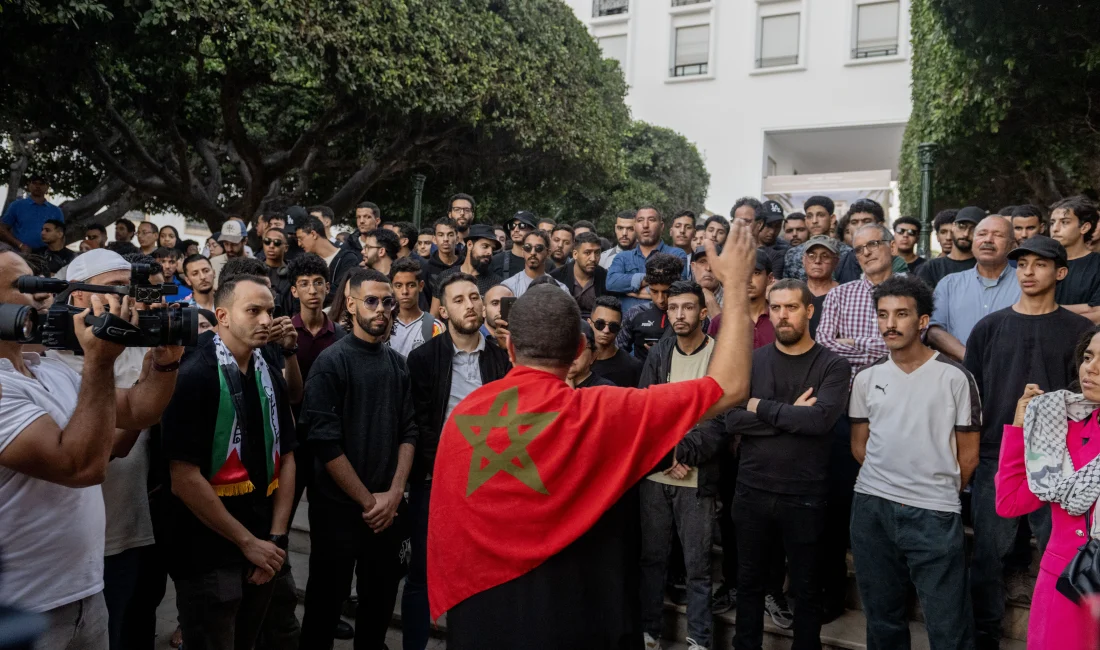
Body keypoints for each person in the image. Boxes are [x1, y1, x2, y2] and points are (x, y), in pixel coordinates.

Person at [427, 219, 755, 649]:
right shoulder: (604, 410)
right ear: (582, 349)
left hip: (482, 618)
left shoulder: (465, 415)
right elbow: (730, 386)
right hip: (575, 617)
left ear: (509, 347)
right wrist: (737, 286)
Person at [0, 246, 181, 650]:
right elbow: (80, 467)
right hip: (24, 608)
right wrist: (99, 361)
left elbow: (137, 409)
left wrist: (165, 362)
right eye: (22, 286)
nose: (40, 295)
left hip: (83, 591)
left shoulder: (48, 370)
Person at [963, 235, 1093, 650]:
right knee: (987, 557)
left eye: (1039, 264)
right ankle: (985, 636)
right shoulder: (989, 327)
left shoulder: (1081, 332)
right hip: (998, 458)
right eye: (1022, 264)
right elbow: (972, 396)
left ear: (1061, 272)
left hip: (1065, 466)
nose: (1028, 272)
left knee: (1065, 555)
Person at [161, 274, 296, 650]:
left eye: (270, 310)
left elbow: (287, 455)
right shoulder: (193, 373)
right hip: (208, 549)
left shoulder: (268, 369)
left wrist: (275, 537)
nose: (267, 321)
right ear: (222, 315)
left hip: (264, 544)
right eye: (253, 311)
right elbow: (183, 478)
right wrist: (247, 542)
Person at [849, 274, 980, 650]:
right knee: (882, 620)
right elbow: (860, 446)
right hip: (872, 509)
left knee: (949, 625)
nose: (890, 323)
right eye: (883, 314)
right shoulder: (866, 377)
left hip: (934, 513)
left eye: (901, 314)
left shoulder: (955, 377)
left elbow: (968, 455)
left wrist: (931, 487)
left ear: (922, 322)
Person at [719, 279, 851, 650]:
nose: (782, 316)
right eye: (775, 308)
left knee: (807, 589)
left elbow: (819, 422)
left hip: (805, 496)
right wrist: (792, 414)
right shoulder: (752, 361)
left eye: (791, 307)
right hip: (752, 490)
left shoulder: (834, 365)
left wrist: (758, 406)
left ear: (809, 311)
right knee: (748, 585)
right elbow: (730, 420)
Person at [298, 268, 417, 649]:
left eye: (387, 301)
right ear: (350, 304)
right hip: (339, 511)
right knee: (323, 609)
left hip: (387, 512)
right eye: (371, 301)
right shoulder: (331, 363)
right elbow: (324, 442)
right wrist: (369, 501)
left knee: (378, 610)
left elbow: (409, 431)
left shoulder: (398, 364)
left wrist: (395, 493)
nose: (382, 309)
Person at [403, 272, 512, 650]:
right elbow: (419, 423)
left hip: (490, 483)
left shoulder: (502, 357)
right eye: (458, 300)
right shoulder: (422, 359)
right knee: (422, 574)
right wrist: (444, 466)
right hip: (436, 480)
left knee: (484, 574)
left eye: (474, 297)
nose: (469, 305)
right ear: (444, 311)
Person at [995, 330, 1100, 650]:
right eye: (1088, 357)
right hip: (1067, 584)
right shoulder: (1060, 424)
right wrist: (1018, 425)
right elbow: (1009, 502)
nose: (1091, 368)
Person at [634, 280, 719, 650]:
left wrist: (681, 452)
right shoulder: (660, 352)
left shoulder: (717, 354)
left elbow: (720, 419)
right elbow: (645, 410)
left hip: (697, 478)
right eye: (673, 308)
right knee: (652, 559)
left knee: (698, 568)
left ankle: (699, 639)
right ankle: (650, 632)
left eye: (687, 308)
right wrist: (669, 454)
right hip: (655, 475)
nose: (679, 315)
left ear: (703, 313)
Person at [927, 216, 1020, 361]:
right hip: (959, 375)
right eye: (982, 234)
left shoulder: (1026, 284)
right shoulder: (949, 284)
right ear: (973, 242)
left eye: (998, 235)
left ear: (1012, 245)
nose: (988, 240)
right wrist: (969, 358)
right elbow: (934, 331)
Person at [607, 206, 690, 312]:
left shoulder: (676, 254)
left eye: (651, 220)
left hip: (663, 325)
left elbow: (677, 289)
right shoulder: (622, 257)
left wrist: (628, 290)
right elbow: (611, 283)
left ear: (661, 226)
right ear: (635, 226)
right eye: (640, 220)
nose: (645, 225)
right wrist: (652, 279)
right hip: (628, 326)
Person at [288, 253, 346, 383]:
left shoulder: (340, 334)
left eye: (318, 283)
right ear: (294, 291)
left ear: (327, 288)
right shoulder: (286, 333)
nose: (312, 290)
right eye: (304, 284)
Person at [616, 253, 684, 362]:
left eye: (667, 292)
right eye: (654, 291)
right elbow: (618, 352)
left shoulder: (690, 315)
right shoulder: (635, 314)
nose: (660, 299)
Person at [1049, 195, 1100, 323]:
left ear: (1084, 227)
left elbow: (1097, 313)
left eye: (1065, 222)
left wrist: (1047, 311)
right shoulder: (1041, 262)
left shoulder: (1097, 264)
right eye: (1052, 222)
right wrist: (1086, 308)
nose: (1055, 228)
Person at [432, 224, 503, 315]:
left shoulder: (496, 283)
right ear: (469, 244)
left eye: (492, 249)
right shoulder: (445, 277)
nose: (489, 252)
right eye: (485, 246)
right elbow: (434, 316)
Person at [707, 251, 773, 348]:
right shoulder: (720, 322)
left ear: (770, 278)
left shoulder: (781, 319)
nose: (748, 280)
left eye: (756, 273)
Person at [832, 199, 907, 284]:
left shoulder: (894, 261)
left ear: (880, 225)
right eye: (854, 222)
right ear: (848, 228)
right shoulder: (841, 262)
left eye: (866, 221)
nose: (859, 226)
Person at [784, 196, 850, 281]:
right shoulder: (792, 255)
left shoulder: (848, 253)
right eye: (809, 216)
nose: (814, 221)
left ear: (832, 219)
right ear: (806, 220)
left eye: (820, 215)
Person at [389, 257, 445, 358]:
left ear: (421, 286)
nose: (405, 291)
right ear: (391, 287)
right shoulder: (384, 324)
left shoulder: (434, 327)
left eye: (411, 285)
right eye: (398, 286)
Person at [917, 206, 982, 289]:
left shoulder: (985, 266)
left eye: (973, 229)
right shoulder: (931, 268)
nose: (966, 233)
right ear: (954, 227)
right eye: (962, 226)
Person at [587, 296, 643, 388]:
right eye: (600, 324)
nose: (606, 330)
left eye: (613, 326)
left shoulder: (633, 366)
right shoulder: (578, 361)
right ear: (589, 323)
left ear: (620, 328)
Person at [296, 216, 360, 293]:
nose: (299, 244)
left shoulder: (347, 259)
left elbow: (341, 290)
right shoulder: (307, 263)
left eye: (301, 239)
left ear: (313, 234)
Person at [0, 173, 64, 251]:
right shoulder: (16, 206)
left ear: (47, 187)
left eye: (41, 184)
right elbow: (2, 229)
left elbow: (61, 235)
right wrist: (20, 245)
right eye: (34, 183)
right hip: (21, 255)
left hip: (48, 256)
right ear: (29, 185)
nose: (37, 186)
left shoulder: (56, 211)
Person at [551, 231, 606, 319]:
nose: (593, 258)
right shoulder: (556, 277)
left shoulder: (605, 277)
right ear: (575, 254)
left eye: (597, 253)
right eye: (587, 253)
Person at [500, 230, 568, 298]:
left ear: (548, 253)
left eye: (539, 248)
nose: (532, 253)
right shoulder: (509, 287)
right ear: (523, 251)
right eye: (528, 247)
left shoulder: (561, 289)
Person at [420, 217, 465, 304]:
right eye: (441, 235)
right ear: (434, 239)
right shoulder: (425, 269)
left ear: (457, 239)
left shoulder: (466, 264)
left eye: (450, 234)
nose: (445, 239)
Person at [803, 236, 840, 339]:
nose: (817, 261)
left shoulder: (844, 294)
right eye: (811, 255)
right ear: (803, 260)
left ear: (836, 262)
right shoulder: (795, 292)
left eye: (825, 256)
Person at [490, 211, 538, 279]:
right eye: (512, 226)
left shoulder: (543, 262)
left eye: (522, 226)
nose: (516, 230)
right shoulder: (496, 260)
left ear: (532, 231)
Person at [260, 228, 292, 313]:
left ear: (286, 248)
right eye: (267, 241)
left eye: (277, 242)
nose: (271, 246)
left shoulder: (293, 272)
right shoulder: (254, 270)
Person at [756, 200, 790, 278]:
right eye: (769, 225)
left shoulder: (787, 250)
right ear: (759, 223)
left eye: (777, 226)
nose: (772, 231)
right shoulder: (745, 246)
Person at [210, 220, 249, 285]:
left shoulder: (256, 264)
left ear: (245, 241)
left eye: (234, 244)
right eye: (226, 244)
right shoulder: (213, 264)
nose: (229, 249)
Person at [690, 245, 724, 318]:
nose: (708, 268)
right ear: (693, 267)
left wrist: (712, 303)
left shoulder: (735, 301)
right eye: (702, 262)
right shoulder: (684, 299)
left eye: (714, 262)